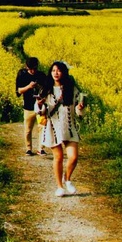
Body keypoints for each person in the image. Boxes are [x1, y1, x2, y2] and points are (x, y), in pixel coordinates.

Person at [35, 61, 85, 197]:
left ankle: (67, 179)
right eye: (53, 71)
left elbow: (77, 108)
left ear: (63, 72)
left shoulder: (71, 88)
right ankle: (59, 186)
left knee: (73, 157)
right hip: (53, 127)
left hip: (69, 126)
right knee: (58, 157)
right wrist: (40, 105)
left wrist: (80, 108)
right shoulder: (46, 89)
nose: (55, 73)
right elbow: (39, 110)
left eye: (58, 71)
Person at [16, 57, 49, 156]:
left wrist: (43, 98)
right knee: (27, 130)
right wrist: (29, 87)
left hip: (41, 107)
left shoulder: (42, 75)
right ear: (27, 67)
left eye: (35, 68)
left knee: (42, 128)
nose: (33, 70)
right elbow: (18, 91)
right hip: (28, 107)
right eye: (31, 69)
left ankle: (41, 149)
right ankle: (28, 148)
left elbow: (47, 89)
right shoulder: (23, 76)